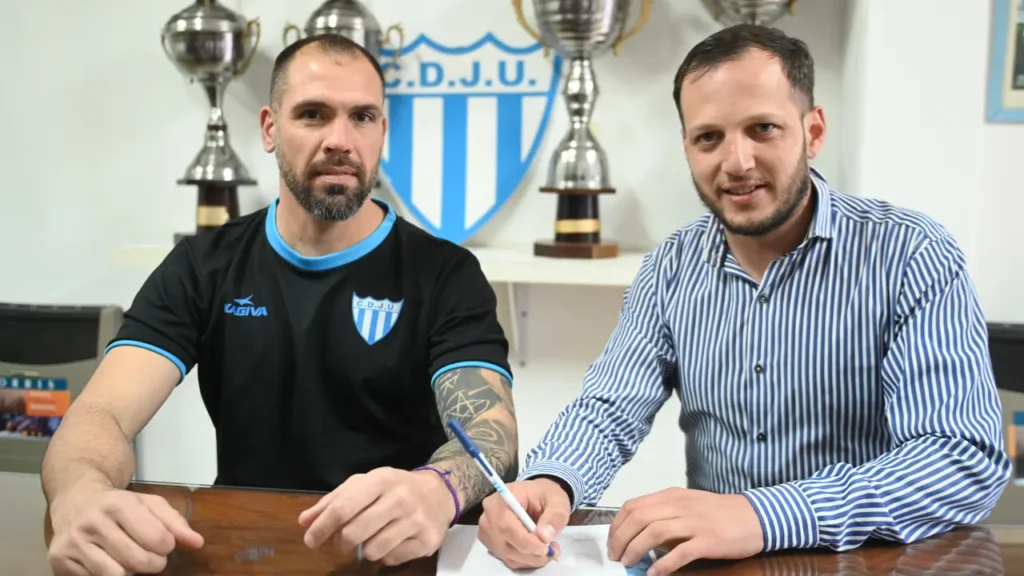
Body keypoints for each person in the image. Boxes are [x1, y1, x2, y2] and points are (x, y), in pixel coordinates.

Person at [476, 23, 1012, 576]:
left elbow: (960, 460)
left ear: (813, 131)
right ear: (687, 148)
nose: (736, 162)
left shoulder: (910, 254)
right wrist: (551, 481)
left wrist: (764, 514)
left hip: (869, 564)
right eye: (709, 137)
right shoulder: (670, 267)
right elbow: (608, 411)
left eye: (763, 129)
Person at [42, 34, 519, 575]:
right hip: (245, 552)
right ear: (270, 128)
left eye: (362, 117)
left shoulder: (445, 274)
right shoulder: (203, 266)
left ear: (382, 133)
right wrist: (80, 494)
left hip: (396, 554)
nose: (340, 140)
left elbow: (492, 434)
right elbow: (100, 414)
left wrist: (437, 490)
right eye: (313, 114)